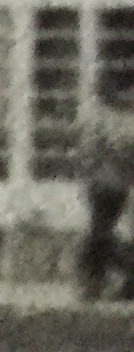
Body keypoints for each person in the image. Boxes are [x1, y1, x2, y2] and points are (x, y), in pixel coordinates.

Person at [77, 81, 134, 302]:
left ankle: (97, 280)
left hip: (110, 183)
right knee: (101, 230)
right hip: (110, 183)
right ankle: (98, 279)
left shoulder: (104, 119)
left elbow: (89, 150)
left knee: (101, 231)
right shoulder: (114, 120)